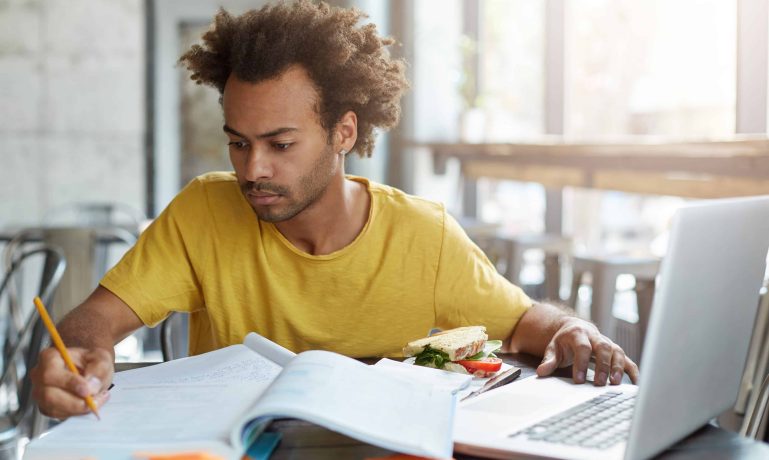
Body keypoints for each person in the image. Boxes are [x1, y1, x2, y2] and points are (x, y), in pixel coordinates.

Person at [31, 0, 638, 420]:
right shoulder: (203, 213)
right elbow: (93, 323)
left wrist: (573, 328)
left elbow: (530, 323)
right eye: (238, 141)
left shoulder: (421, 236)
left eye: (281, 144)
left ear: (344, 132)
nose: (253, 169)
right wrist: (78, 352)